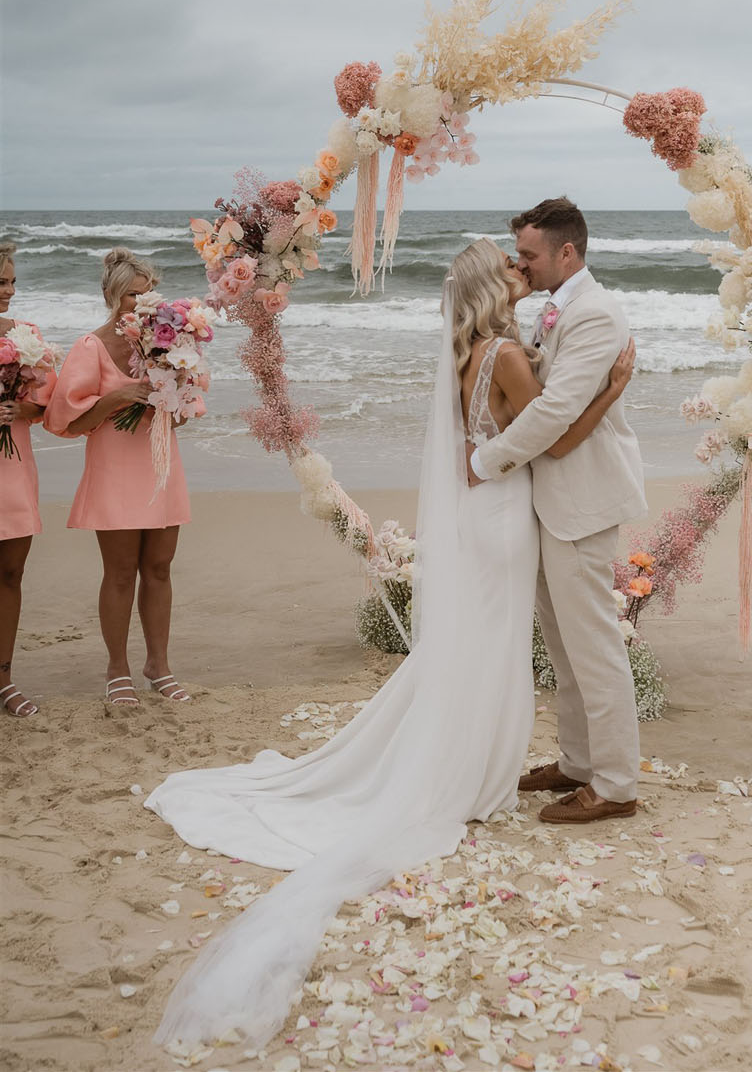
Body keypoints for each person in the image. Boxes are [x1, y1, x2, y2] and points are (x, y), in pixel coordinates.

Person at [143, 237, 634, 1049]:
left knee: (478, 648)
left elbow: (500, 438)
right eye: (510, 267)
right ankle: (475, 776)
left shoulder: (467, 352)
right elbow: (552, 437)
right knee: (496, 648)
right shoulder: (507, 354)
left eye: (526, 260)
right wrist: (611, 390)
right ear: (492, 287)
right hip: (507, 518)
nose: (520, 272)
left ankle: (480, 764)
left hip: (486, 518)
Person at [469, 196, 647, 825]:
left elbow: (552, 412)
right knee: (565, 646)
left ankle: (618, 784)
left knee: (593, 645)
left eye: (528, 255)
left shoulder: (596, 314)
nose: (520, 265)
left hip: (581, 499)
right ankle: (577, 761)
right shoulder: (556, 308)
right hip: (550, 495)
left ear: (567, 252)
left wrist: (485, 463)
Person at [44, 248, 195, 706]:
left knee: (160, 567)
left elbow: (187, 414)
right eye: (133, 295)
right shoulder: (90, 346)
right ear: (112, 295)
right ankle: (117, 669)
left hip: (160, 462)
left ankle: (159, 665)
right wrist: (124, 395)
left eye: (148, 293)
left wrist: (169, 394)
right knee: (120, 572)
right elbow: (67, 420)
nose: (142, 303)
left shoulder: (168, 343)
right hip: (114, 466)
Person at [0, 242, 58, 717]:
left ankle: (4, 680)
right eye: (1, 282)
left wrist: (24, 409)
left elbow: (48, 402)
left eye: (13, 282)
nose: (9, 291)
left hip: (13, 464)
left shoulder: (26, 335)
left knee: (10, 573)